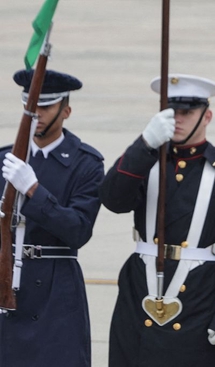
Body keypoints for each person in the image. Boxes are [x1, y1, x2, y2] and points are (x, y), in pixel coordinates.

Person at [100, 74, 215, 366]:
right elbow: (113, 199)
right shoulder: (146, 162)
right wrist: (144, 144)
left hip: (201, 299)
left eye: (187, 112)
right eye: (171, 111)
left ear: (207, 116)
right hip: (140, 295)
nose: (178, 119)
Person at [0, 69, 104, 367]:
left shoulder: (86, 163)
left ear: (66, 110)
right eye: (30, 108)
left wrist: (33, 189)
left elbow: (78, 230)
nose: (36, 115)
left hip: (56, 288)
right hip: (7, 281)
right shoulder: (5, 160)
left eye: (45, 107)